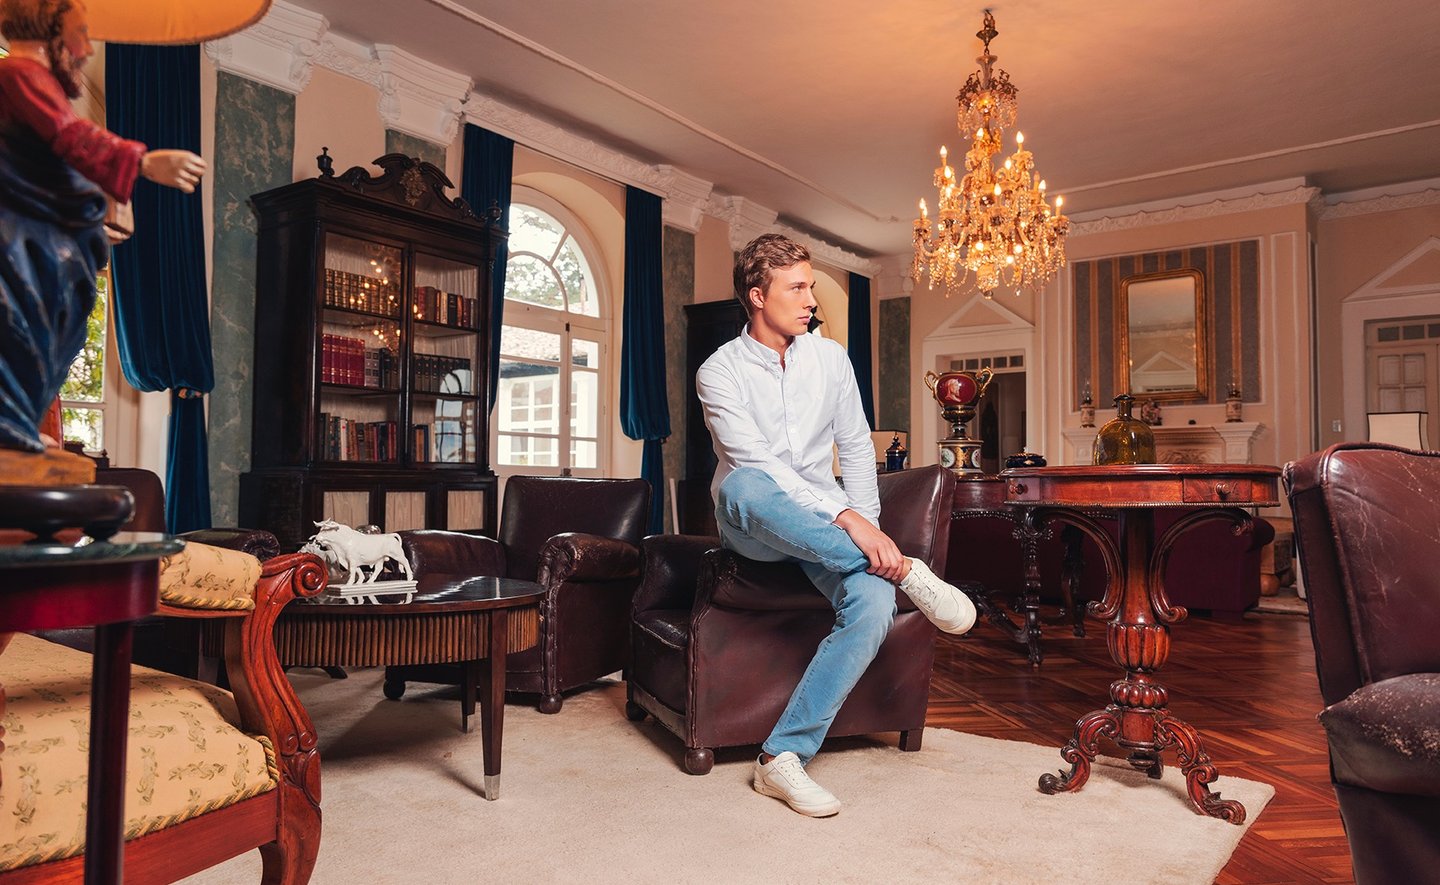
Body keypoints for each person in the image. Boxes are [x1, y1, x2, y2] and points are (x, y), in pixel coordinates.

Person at [696, 233, 977, 817]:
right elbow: (758, 466)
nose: (810, 300)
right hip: (756, 526)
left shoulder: (830, 359)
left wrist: (869, 527)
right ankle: (907, 573)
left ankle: (781, 757)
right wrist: (849, 521)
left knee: (873, 604)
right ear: (757, 295)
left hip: (825, 532)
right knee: (747, 484)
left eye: (812, 287)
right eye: (797, 288)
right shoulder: (718, 371)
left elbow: (854, 447)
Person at [0, 0, 206, 453]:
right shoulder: (20, 73)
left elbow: (48, 172)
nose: (88, 49)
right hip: (17, 247)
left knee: (50, 328)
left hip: (32, 241)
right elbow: (70, 136)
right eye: (82, 34)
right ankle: (9, 420)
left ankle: (18, 418)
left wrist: (85, 221)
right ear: (51, 29)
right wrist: (144, 162)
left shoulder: (31, 81)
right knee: (25, 328)